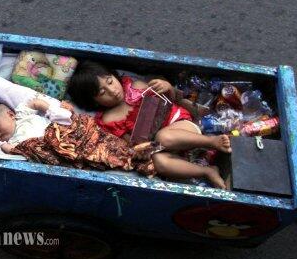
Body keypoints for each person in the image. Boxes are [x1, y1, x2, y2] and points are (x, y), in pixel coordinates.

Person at [67, 60, 228, 189]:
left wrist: (167, 87)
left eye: (110, 82)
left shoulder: (135, 87)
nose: (112, 91)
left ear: (114, 76)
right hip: (161, 147)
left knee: (163, 136)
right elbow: (130, 144)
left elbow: (170, 100)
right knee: (160, 162)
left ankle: (212, 142)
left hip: (180, 124)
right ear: (93, 102)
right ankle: (206, 171)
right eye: (102, 93)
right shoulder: (108, 120)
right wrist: (140, 150)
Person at [0, 98, 71, 154]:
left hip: (58, 132)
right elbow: (15, 152)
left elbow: (36, 103)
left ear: (11, 115)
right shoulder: (11, 143)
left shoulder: (22, 115)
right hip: (47, 148)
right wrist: (4, 146)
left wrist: (53, 111)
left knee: (68, 119)